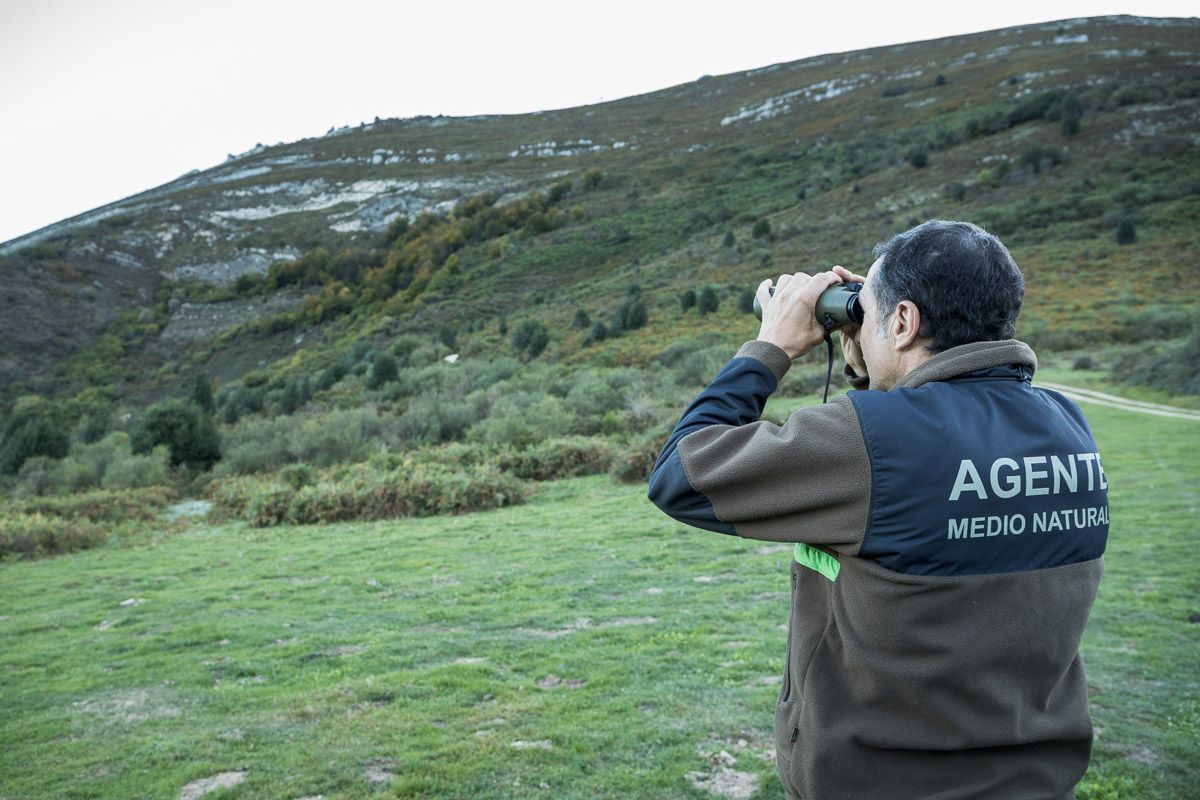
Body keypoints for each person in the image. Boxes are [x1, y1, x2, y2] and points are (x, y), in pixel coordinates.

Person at [648, 220, 1109, 799]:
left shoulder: (871, 442)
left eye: (869, 314)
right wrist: (876, 356)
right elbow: (917, 476)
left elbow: (679, 477)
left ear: (904, 322)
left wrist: (771, 346)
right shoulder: (1068, 427)